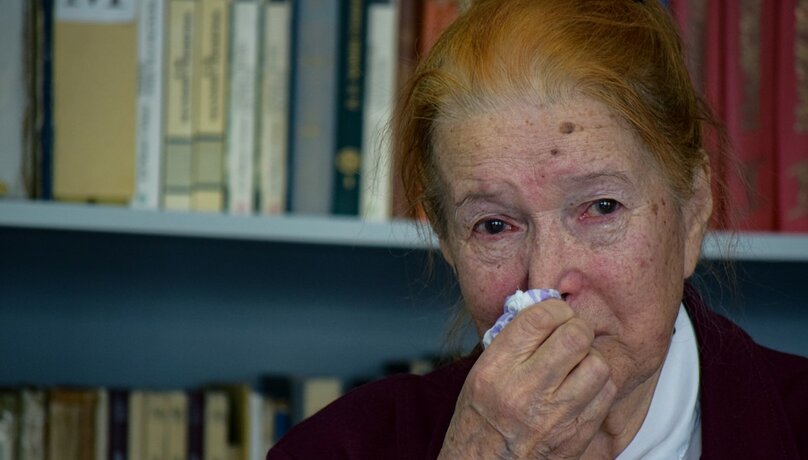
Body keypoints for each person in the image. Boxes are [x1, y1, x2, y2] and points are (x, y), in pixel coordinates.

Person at [268, 0, 808, 458]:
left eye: (602, 207)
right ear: (447, 242)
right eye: (494, 225)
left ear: (692, 211)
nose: (545, 279)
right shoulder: (339, 446)